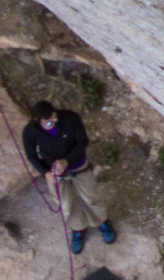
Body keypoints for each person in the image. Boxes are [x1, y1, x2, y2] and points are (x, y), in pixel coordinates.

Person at [22, 100, 116, 253]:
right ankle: (78, 229)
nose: (52, 124)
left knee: (91, 195)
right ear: (37, 121)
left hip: (77, 163)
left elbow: (82, 142)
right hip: (53, 170)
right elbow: (31, 155)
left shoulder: (70, 118)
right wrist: (45, 172)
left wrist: (66, 161)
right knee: (66, 203)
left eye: (54, 119)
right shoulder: (30, 132)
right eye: (47, 123)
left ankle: (102, 222)